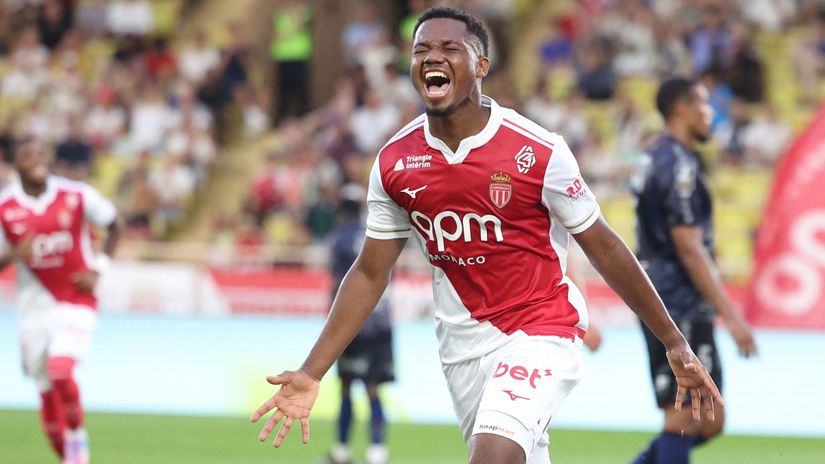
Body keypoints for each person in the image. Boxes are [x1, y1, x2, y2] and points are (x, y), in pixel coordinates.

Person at [251, 8, 722, 464]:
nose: (432, 57)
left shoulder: (537, 151)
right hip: (461, 347)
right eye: (421, 49)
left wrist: (673, 341)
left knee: (494, 454)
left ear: (480, 65)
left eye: (449, 48)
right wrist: (312, 371)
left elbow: (604, 245)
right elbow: (370, 272)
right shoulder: (394, 163)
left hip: (541, 328)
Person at [629, 78, 757, 464]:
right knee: (685, 414)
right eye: (703, 104)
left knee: (711, 418)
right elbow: (688, 244)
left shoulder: (658, 157)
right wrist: (732, 316)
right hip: (675, 302)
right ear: (680, 109)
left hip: (672, 298)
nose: (710, 113)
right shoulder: (677, 163)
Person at [0, 138, 121, 464]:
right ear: (15, 164)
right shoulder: (5, 207)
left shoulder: (76, 194)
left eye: (41, 154)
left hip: (76, 299)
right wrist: (13, 254)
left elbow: (114, 224)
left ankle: (78, 435)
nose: (37, 160)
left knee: (61, 370)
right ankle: (69, 458)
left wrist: (98, 269)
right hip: (32, 309)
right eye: (28, 156)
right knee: (45, 388)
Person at [325, 185, 394, 464]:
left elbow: (337, 285)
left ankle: (341, 451)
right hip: (381, 323)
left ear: (341, 210)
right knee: (373, 388)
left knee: (345, 386)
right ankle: (377, 452)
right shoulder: (378, 234)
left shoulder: (338, 239)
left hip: (353, 324)